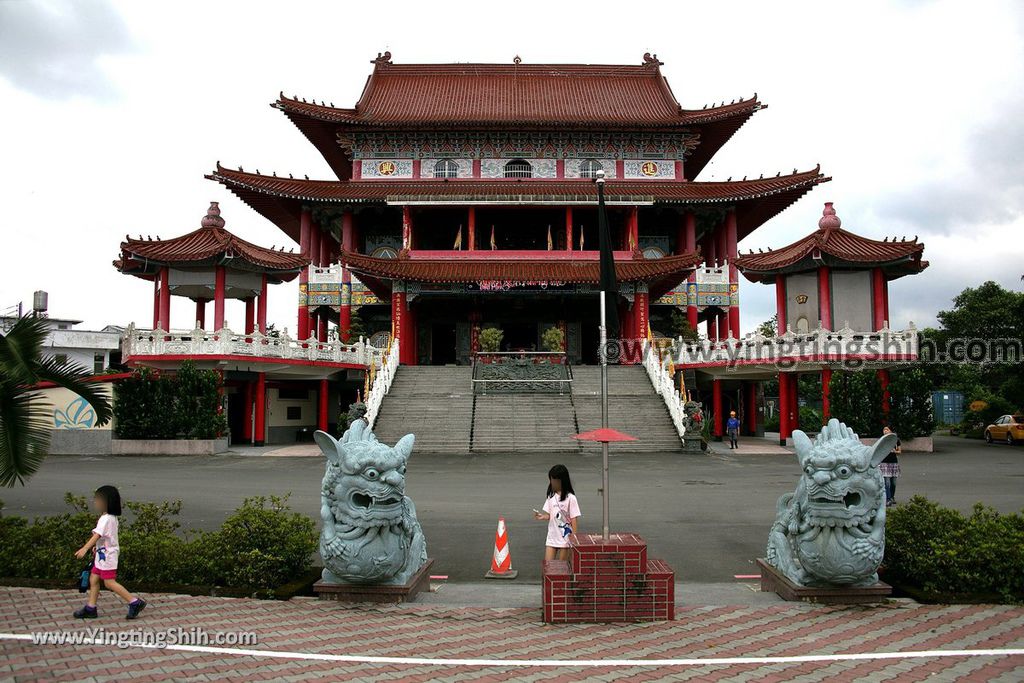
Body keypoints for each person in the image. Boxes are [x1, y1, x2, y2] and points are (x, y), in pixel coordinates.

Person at [73, 485, 147, 620]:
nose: (95, 502)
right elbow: (105, 536)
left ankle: (134, 602)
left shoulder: (106, 518)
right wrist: (96, 547)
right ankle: (91, 607)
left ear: (107, 502)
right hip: (102, 554)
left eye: (98, 500)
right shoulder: (108, 517)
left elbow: (97, 535)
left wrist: (85, 548)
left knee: (109, 582)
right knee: (94, 578)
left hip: (108, 556)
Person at [533, 464, 581, 561]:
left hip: (565, 539)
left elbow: (574, 519)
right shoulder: (551, 496)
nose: (552, 482)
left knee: (562, 567)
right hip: (552, 537)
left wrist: (573, 539)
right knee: (548, 566)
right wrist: (542, 516)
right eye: (551, 480)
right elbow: (550, 515)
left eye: (555, 480)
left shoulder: (571, 498)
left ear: (562, 481)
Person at [879, 426, 902, 507]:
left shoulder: (896, 440)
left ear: (890, 431)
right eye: (884, 429)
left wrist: (894, 451)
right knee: (887, 482)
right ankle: (888, 499)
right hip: (884, 463)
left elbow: (899, 451)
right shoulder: (882, 440)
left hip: (893, 463)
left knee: (893, 482)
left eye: (887, 429)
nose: (885, 431)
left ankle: (892, 497)